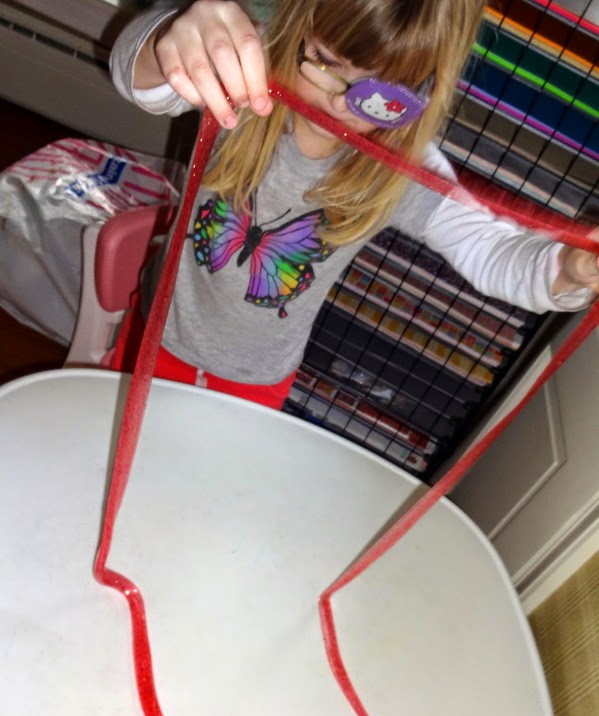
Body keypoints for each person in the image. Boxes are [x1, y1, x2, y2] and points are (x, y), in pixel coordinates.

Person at [110, 0, 599, 410]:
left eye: (383, 93)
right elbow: (137, 80)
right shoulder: (243, 75)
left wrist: (568, 270)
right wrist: (168, 42)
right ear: (299, 23)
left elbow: (491, 253)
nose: (342, 103)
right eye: (325, 61)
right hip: (152, 333)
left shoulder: (401, 167)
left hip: (256, 380)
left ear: (424, 88)